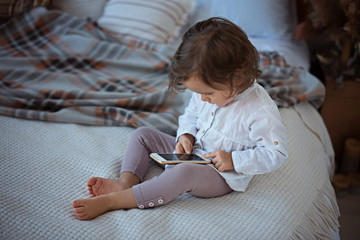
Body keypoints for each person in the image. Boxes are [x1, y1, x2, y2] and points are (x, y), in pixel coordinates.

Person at [72, 17, 288, 220]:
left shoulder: (260, 111)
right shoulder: (207, 88)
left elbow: (275, 154)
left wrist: (233, 160)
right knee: (143, 134)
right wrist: (186, 136)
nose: (202, 98)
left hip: (221, 175)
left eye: (209, 93)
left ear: (237, 77)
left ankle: (114, 201)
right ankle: (124, 182)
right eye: (199, 92)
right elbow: (191, 115)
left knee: (184, 174)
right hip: (193, 153)